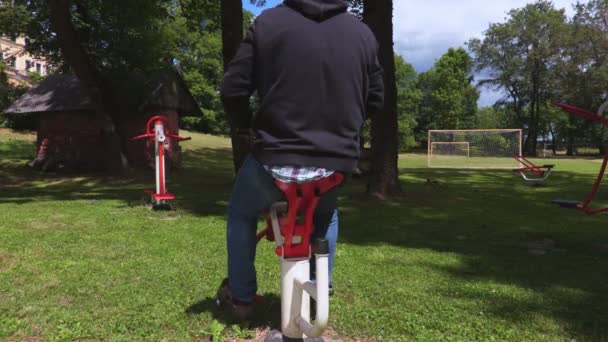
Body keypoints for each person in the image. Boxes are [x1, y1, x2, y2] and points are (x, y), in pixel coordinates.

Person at [217, 0, 384, 321]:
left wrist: (244, 126)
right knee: (326, 215)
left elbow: (232, 88)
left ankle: (241, 300)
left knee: (241, 214)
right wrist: (343, 131)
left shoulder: (268, 23)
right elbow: (376, 99)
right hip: (335, 166)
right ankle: (319, 294)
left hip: (273, 159)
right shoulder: (362, 34)